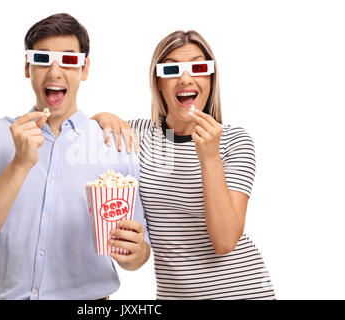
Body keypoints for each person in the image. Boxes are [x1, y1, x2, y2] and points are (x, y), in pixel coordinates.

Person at [0, 13, 150, 300]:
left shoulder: (114, 142)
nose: (55, 72)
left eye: (68, 61)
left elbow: (141, 251)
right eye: (43, 59)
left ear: (85, 68)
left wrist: (134, 254)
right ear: (27, 67)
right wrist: (19, 164)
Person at [92, 30, 275, 300]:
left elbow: (225, 241)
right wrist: (103, 116)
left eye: (198, 67)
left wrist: (210, 158)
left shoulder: (234, 141)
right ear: (159, 82)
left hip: (241, 291)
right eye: (172, 69)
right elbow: (86, 133)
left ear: (210, 79)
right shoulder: (142, 135)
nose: (185, 78)